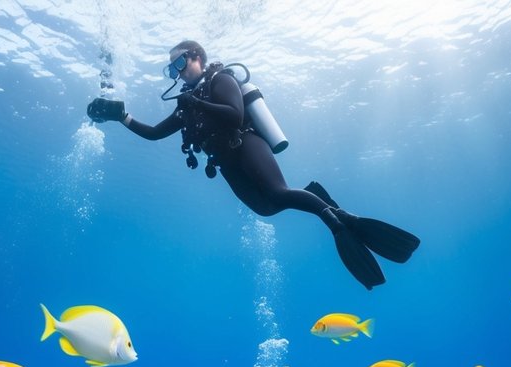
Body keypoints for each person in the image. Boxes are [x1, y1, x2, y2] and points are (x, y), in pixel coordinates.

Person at [87, 40, 419, 290]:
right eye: (171, 69)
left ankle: (336, 219)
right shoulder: (186, 105)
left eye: (180, 64)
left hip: (245, 144)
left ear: (197, 58)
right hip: (227, 163)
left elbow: (235, 115)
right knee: (266, 208)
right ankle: (322, 201)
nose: (177, 73)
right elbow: (156, 133)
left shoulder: (221, 80)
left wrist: (197, 100)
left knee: (278, 192)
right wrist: (122, 117)